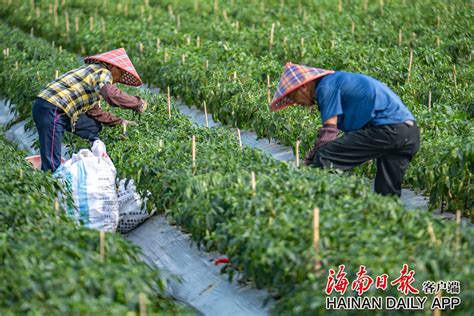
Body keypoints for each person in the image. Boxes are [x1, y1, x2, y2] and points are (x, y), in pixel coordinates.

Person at [270, 63, 420, 196]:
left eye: (293, 96)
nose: (296, 102)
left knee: (325, 157)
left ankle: (317, 202)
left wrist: (310, 161)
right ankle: (390, 223)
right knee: (387, 193)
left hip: (389, 130)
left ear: (303, 87)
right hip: (409, 133)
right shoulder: (336, 81)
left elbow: (329, 132)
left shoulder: (326, 86)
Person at [32, 48, 147, 172]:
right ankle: (51, 183)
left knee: (92, 126)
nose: (120, 79)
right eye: (121, 73)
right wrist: (137, 103)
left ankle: (94, 154)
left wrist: (120, 122)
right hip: (52, 107)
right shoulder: (102, 71)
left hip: (60, 110)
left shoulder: (93, 78)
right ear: (112, 66)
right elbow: (111, 95)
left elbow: (95, 112)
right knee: (52, 161)